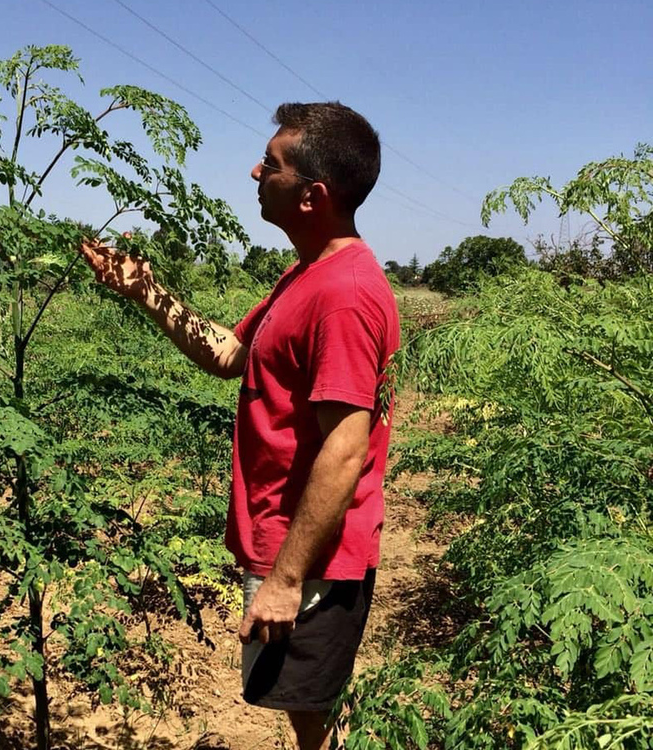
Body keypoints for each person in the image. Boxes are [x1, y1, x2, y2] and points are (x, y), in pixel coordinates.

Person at [79, 101, 399, 750]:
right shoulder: (306, 275)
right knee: (299, 703)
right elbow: (230, 353)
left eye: (272, 165)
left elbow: (345, 449)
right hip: (285, 542)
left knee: (305, 703)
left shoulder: (345, 293)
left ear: (313, 196)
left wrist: (285, 579)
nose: (256, 171)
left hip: (312, 557)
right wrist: (145, 290)